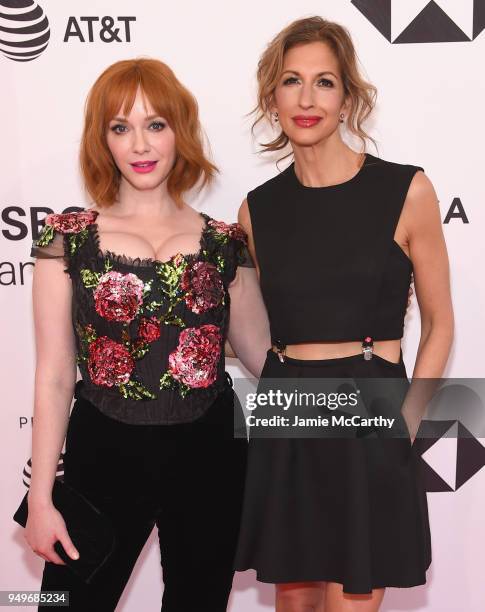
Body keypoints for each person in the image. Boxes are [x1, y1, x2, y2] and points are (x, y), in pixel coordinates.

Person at [23, 58, 270, 611]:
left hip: (210, 454)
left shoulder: (226, 243)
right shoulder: (67, 238)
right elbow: (56, 372)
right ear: (102, 139)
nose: (140, 143)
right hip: (102, 450)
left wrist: (361, 397)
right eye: (120, 126)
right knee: (67, 604)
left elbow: (264, 360)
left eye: (156, 124)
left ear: (180, 130)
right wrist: (41, 498)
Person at [233, 16, 454, 612]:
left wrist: (406, 420)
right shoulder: (257, 211)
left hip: (371, 406)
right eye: (291, 81)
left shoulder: (407, 191)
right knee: (293, 605)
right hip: (290, 413)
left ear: (348, 95)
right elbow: (251, 329)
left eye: (324, 82)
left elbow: (439, 323)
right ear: (270, 97)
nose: (307, 99)